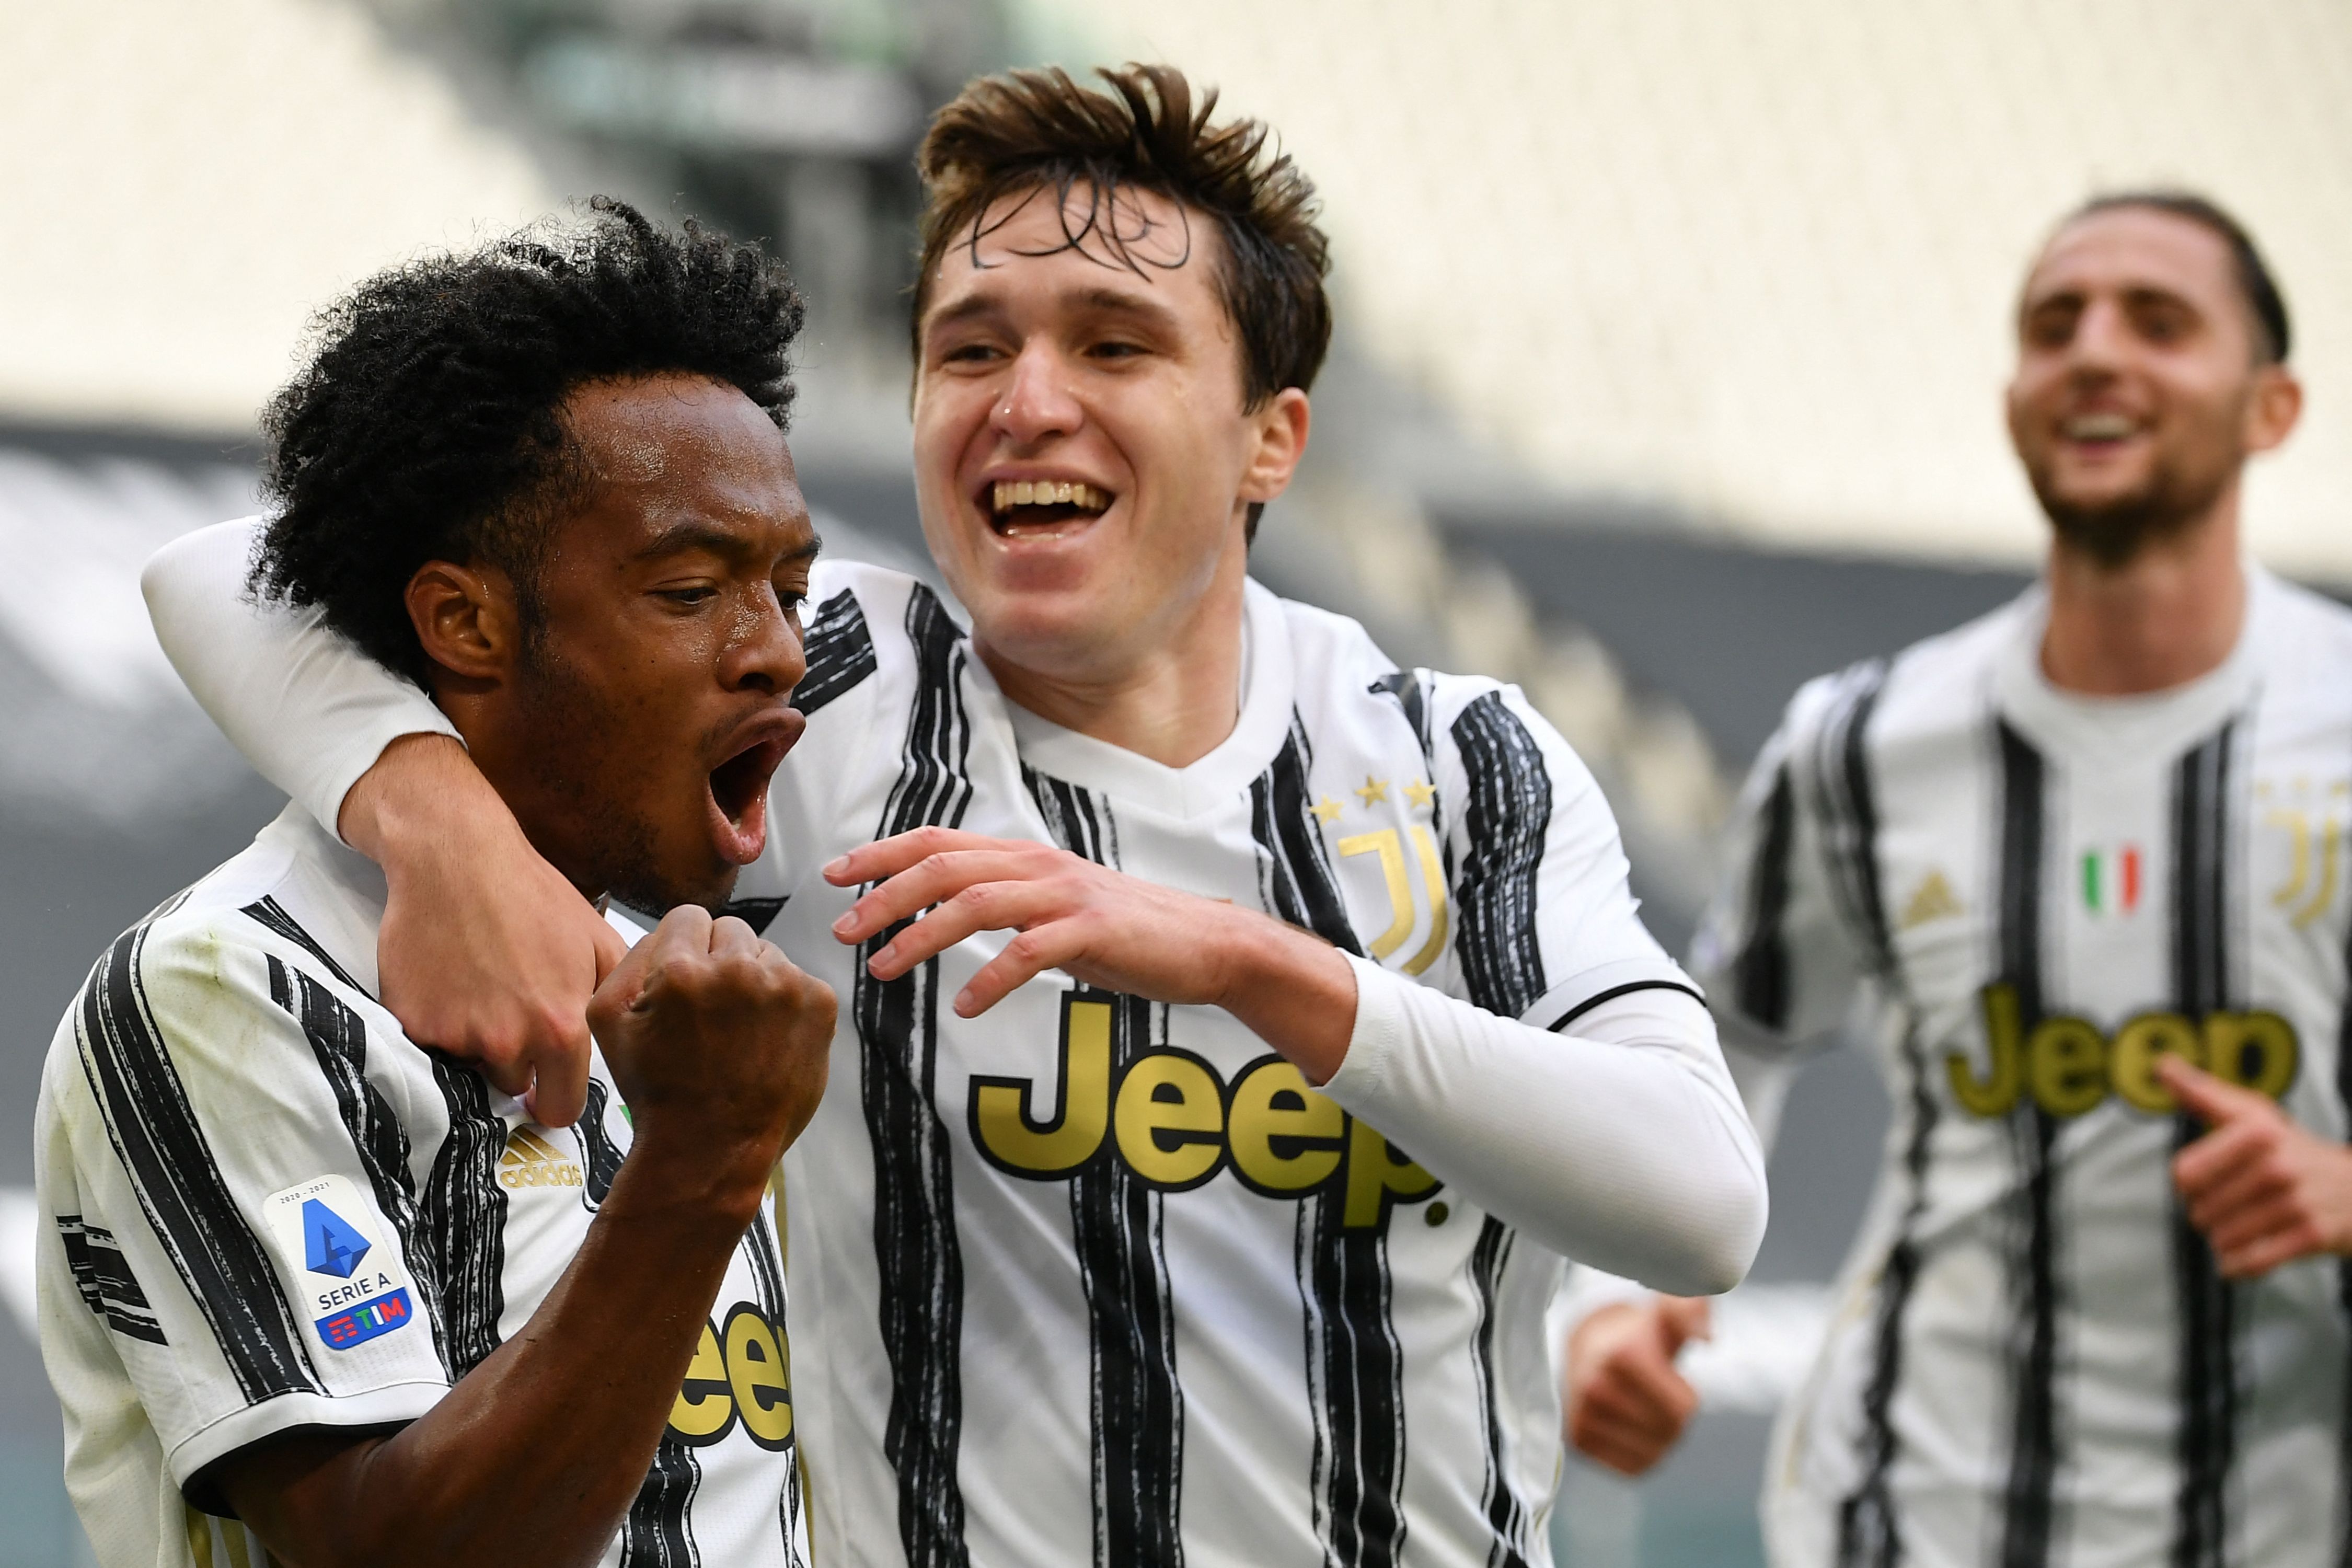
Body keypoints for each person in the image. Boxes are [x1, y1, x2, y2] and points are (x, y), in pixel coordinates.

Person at [142, 66, 1767, 1566]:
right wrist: (439, 823)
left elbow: (1699, 1200)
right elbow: (225, 573)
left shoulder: (1455, 763)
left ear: (1270, 438)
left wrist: (1244, 961)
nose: (1026, 400)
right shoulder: (835, 687)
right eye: (971, 349)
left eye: (1114, 346)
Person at [38, 202, 836, 1567]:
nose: (780, 651)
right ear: (464, 622)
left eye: (791, 589)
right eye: (691, 590)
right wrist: (703, 1159)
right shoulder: (234, 983)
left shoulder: (682, 985)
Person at [1564, 191, 2352, 1566]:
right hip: (1908, 1515)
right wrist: (1618, 1302)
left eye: (2157, 322)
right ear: (2014, 399)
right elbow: (1715, 1047)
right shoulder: (1861, 744)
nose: (2093, 352)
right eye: (2054, 325)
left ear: (2270, 408)